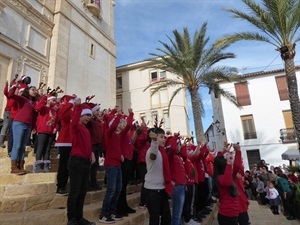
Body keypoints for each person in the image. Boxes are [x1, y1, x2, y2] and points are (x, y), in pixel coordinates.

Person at [66, 103, 96, 225]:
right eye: (87, 115)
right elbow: (74, 120)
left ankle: (80, 218)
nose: (89, 117)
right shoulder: (75, 126)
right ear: (81, 115)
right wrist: (78, 107)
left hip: (85, 162)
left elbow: (87, 145)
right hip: (76, 161)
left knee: (82, 192)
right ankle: (72, 219)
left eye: (90, 115)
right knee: (75, 191)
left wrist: (91, 153)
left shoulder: (86, 130)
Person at [99, 107, 125, 223]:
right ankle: (104, 213)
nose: (119, 126)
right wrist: (118, 115)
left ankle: (112, 211)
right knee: (111, 189)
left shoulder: (117, 135)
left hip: (117, 164)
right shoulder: (108, 133)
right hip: (111, 165)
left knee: (118, 188)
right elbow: (113, 126)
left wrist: (120, 155)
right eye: (117, 124)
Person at [8, 79, 38, 175]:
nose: (35, 91)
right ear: (27, 91)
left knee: (23, 146)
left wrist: (34, 127)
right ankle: (14, 167)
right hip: (19, 123)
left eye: (36, 90)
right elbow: (11, 95)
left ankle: (20, 166)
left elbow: (34, 117)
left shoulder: (33, 103)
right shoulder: (23, 99)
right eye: (33, 89)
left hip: (28, 125)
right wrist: (15, 85)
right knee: (17, 145)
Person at [144, 127, 172, 225]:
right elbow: (153, 154)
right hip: (152, 191)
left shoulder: (162, 151)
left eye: (164, 137)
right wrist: (154, 141)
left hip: (161, 189)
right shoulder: (151, 151)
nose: (164, 139)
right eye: (161, 137)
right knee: (155, 220)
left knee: (166, 218)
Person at [55, 94, 78, 195]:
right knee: (63, 165)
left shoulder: (73, 112)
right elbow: (61, 115)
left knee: (71, 165)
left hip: (73, 141)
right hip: (65, 141)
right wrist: (70, 103)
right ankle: (60, 186)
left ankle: (67, 185)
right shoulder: (65, 110)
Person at [116, 109, 136, 216]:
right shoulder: (122, 134)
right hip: (124, 162)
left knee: (124, 186)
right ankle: (120, 206)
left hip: (129, 161)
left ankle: (124, 205)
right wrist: (131, 114)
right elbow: (129, 125)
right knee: (122, 186)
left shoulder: (127, 135)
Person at [166, 133, 187, 225]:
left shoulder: (178, 157)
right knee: (177, 214)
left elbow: (184, 155)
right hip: (177, 188)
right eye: (179, 144)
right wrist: (175, 137)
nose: (180, 146)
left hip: (181, 187)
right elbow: (173, 148)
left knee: (179, 212)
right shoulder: (170, 156)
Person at [34, 93, 59, 173]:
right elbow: (37, 107)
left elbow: (57, 121)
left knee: (48, 149)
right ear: (48, 100)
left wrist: (56, 128)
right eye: (53, 100)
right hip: (42, 130)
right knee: (41, 147)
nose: (55, 102)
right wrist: (44, 98)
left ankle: (46, 165)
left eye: (55, 100)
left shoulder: (54, 110)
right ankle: (38, 165)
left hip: (50, 132)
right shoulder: (43, 108)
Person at [213, 153, 239, 225]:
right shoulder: (220, 178)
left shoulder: (228, 176)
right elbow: (227, 182)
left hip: (232, 213)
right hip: (227, 214)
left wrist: (238, 151)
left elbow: (237, 167)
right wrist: (229, 163)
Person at [86, 102, 102, 191]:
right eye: (97, 111)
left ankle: (93, 182)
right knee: (91, 164)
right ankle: (88, 183)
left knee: (95, 165)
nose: (98, 112)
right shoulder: (90, 121)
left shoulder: (97, 122)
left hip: (97, 145)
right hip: (91, 145)